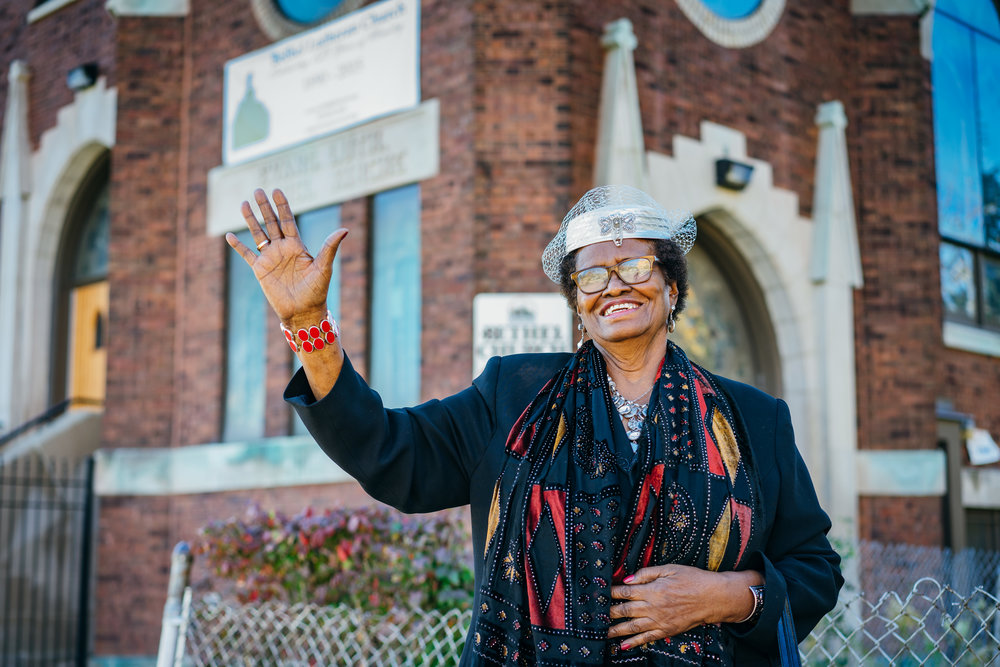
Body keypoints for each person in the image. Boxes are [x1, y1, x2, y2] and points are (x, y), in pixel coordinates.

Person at [226, 184, 843, 666]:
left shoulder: (753, 418)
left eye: (634, 266)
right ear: (578, 302)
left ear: (672, 286)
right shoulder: (513, 393)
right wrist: (309, 324)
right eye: (591, 275)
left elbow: (814, 568)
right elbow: (391, 452)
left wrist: (724, 596)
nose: (614, 286)